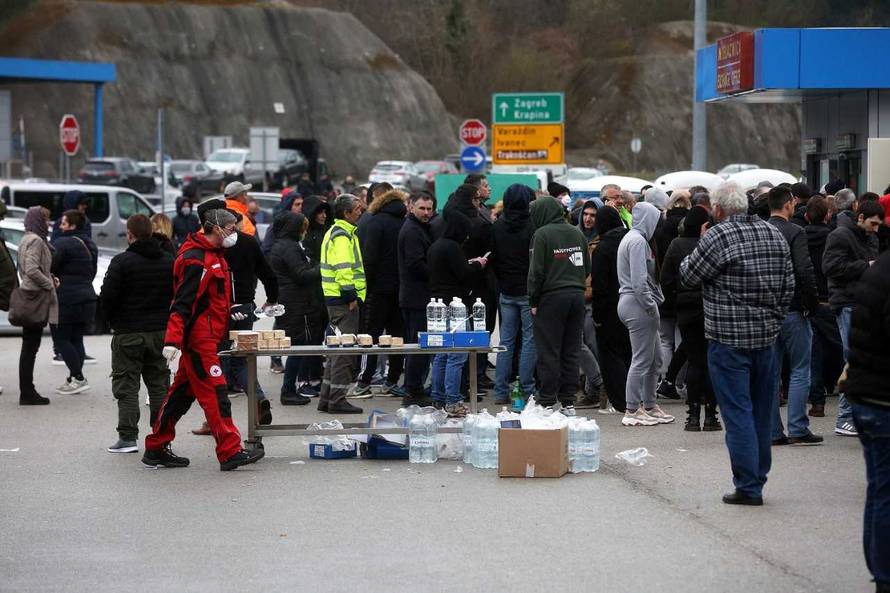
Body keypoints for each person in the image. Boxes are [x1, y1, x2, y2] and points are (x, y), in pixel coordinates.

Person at [681, 181, 794, 505]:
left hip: (728, 341)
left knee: (738, 413)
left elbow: (688, 275)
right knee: (761, 410)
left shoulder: (717, 236)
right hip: (766, 339)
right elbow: (789, 284)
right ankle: (758, 476)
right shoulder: (773, 233)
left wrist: (700, 245)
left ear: (717, 209)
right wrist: (773, 321)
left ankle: (748, 485)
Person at [143, 208, 264, 471]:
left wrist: (230, 313)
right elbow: (182, 302)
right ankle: (230, 451)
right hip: (200, 340)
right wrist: (172, 341)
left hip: (206, 336)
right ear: (216, 228)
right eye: (232, 228)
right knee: (217, 392)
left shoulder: (213, 255)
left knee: (180, 396)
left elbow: (207, 300)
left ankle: (156, 446)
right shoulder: (197, 259)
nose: (236, 233)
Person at [195, 198, 278, 433]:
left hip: (218, 311)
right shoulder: (248, 242)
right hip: (245, 307)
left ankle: (217, 420)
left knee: (218, 362)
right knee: (241, 360)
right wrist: (271, 299)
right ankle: (258, 397)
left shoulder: (210, 244)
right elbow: (268, 273)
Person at [99, 214, 174, 454]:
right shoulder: (168, 261)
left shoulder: (122, 262)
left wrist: (108, 320)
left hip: (128, 333)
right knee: (159, 386)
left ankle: (127, 437)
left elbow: (107, 297)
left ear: (130, 235)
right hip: (160, 333)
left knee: (127, 387)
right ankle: (161, 436)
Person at [843, 246, 890, 593]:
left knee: (880, 489)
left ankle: (881, 571)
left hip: (866, 394)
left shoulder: (877, 269)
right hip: (881, 398)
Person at [766, 186, 823, 445]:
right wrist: (811, 304)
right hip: (792, 308)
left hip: (766, 311)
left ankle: (773, 431)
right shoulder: (795, 232)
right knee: (800, 369)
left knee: (771, 371)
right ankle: (798, 427)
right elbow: (804, 270)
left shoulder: (761, 230)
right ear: (789, 204)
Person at [822, 199, 884, 437]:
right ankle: (846, 416)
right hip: (847, 302)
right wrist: (867, 266)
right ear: (860, 218)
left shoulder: (870, 237)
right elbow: (830, 267)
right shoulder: (840, 235)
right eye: (873, 224)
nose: (876, 229)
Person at [661, 206, 720, 431]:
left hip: (685, 310)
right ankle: (711, 415)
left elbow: (665, 278)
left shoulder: (676, 245)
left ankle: (693, 415)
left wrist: (676, 299)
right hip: (710, 309)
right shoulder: (711, 244)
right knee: (711, 362)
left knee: (695, 361)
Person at [528, 197, 589, 412]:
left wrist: (533, 300)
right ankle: (568, 401)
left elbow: (536, 272)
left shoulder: (542, 234)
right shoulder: (577, 232)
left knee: (548, 350)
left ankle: (546, 400)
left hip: (550, 298)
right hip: (577, 296)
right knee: (571, 350)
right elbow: (587, 267)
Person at [616, 202, 674, 426]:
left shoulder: (632, 239)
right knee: (642, 359)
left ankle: (649, 405)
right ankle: (632, 409)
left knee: (655, 358)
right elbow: (639, 282)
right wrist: (651, 305)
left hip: (633, 303)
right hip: (638, 305)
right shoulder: (638, 241)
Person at [428, 211, 486, 416]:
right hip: (455, 308)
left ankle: (438, 397)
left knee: (442, 354)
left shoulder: (436, 245)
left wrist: (468, 263)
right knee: (457, 354)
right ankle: (453, 401)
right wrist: (478, 265)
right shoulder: (453, 247)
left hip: (437, 305)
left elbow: (449, 270)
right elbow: (463, 274)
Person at [354, 188, 408, 397]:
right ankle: (392, 380)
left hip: (377, 289)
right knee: (397, 336)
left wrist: (365, 288)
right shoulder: (405, 222)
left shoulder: (375, 222)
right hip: (400, 288)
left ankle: (364, 380)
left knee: (370, 336)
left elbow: (370, 258)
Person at [268, 211, 323, 405]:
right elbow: (301, 274)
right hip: (296, 303)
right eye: (302, 228)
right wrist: (322, 268)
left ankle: (289, 389)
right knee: (298, 347)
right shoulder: (289, 247)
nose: (304, 232)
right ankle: (288, 390)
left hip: (291, 300)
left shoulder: (280, 245)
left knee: (297, 346)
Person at [318, 194, 366, 415]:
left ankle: (327, 398)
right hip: (343, 301)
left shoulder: (340, 232)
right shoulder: (342, 236)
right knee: (345, 353)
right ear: (346, 213)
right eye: (357, 208)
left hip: (337, 300)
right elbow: (343, 269)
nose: (360, 211)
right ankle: (337, 399)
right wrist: (350, 297)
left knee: (337, 349)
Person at [490, 184, 536, 405]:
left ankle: (500, 390)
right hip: (527, 291)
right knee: (529, 341)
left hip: (506, 290)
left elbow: (494, 259)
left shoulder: (497, 226)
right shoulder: (533, 226)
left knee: (505, 342)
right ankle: (527, 389)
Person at [804, 197, 844, 417]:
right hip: (830, 298)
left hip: (810, 300)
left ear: (808, 216)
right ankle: (848, 393)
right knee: (841, 348)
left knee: (814, 353)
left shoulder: (800, 236)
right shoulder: (833, 237)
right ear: (828, 215)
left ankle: (817, 401)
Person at [51, 209, 98, 396]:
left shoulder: (62, 243)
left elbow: (51, 266)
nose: (60, 226)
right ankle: (74, 377)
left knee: (61, 339)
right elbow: (92, 271)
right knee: (76, 338)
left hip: (66, 297)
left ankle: (78, 377)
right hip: (86, 296)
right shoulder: (90, 243)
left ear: (71, 225)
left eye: (63, 223)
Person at [590, 206, 630, 413]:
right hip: (633, 305)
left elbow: (599, 285)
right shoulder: (631, 240)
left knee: (610, 356)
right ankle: (635, 397)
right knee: (630, 353)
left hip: (610, 310)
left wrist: (597, 315)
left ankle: (620, 401)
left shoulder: (602, 249)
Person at [398, 191, 435, 407]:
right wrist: (437, 273)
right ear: (411, 207)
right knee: (417, 347)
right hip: (415, 298)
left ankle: (415, 387)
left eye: (429, 208)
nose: (426, 212)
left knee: (421, 346)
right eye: (422, 208)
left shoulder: (420, 228)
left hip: (419, 297)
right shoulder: (412, 230)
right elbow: (415, 264)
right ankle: (412, 390)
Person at [654, 191, 691, 399]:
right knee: (682, 341)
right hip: (685, 294)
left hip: (664, 293)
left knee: (665, 341)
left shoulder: (659, 230)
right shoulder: (690, 230)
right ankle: (679, 382)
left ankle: (663, 381)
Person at [17, 207, 55, 405]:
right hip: (35, 298)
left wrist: (50, 278)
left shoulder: (25, 238)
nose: (48, 224)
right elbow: (32, 268)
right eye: (45, 220)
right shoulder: (36, 241)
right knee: (31, 347)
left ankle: (27, 390)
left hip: (29, 294)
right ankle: (27, 391)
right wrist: (48, 284)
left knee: (29, 346)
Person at [575, 199, 607, 410]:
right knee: (581, 345)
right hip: (576, 296)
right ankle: (593, 389)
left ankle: (595, 390)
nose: (588, 218)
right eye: (585, 214)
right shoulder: (575, 237)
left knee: (591, 345)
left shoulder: (600, 241)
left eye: (593, 215)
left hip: (591, 298)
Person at [301, 195, 333, 263]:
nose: (324, 216)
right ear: (311, 213)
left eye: (325, 212)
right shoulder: (303, 233)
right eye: (320, 213)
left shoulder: (328, 230)